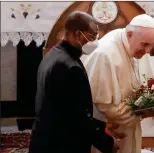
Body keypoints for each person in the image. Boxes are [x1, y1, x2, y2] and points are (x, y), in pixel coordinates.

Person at [29, 11, 121, 153]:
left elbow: (66, 109)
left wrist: (102, 126)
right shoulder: (68, 66)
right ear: (78, 34)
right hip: (61, 145)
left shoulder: (53, 55)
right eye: (92, 36)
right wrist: (107, 143)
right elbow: (76, 119)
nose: (95, 42)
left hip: (46, 139)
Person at [80, 14, 154, 153]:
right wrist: (141, 111)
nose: (147, 51)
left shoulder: (127, 40)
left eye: (151, 46)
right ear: (130, 35)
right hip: (108, 130)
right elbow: (104, 106)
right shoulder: (105, 54)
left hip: (127, 125)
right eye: (145, 44)